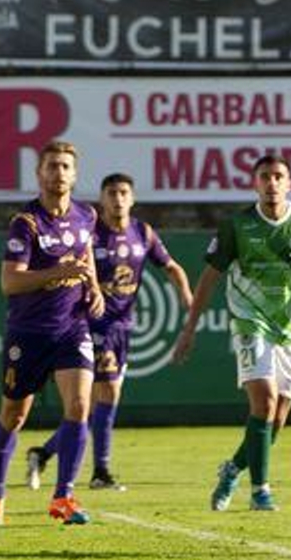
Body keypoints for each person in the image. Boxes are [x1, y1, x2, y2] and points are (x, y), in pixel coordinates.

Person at [172, 153, 291, 512]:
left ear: (290, 183)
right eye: (265, 176)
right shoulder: (236, 225)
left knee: (274, 423)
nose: (272, 182)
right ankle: (261, 490)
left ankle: (233, 469)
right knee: (264, 402)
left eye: (279, 176)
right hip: (250, 321)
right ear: (254, 183)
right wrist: (189, 328)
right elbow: (210, 277)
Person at [27, 173, 193, 491]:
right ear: (102, 198)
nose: (118, 199)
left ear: (132, 198)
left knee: (88, 408)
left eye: (123, 193)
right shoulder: (90, 231)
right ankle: (100, 472)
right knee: (107, 395)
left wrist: (187, 297)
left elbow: (171, 266)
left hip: (123, 328)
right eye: (112, 193)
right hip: (91, 325)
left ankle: (43, 453)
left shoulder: (142, 232)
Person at [0, 141, 104, 527]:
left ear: (75, 173)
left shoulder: (87, 215)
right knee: (14, 415)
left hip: (72, 326)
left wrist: (94, 288)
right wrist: (57, 273)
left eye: (66, 166)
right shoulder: (27, 222)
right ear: (40, 174)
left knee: (81, 406)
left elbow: (84, 258)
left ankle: (63, 495)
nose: (59, 173)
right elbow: (9, 282)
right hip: (29, 332)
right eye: (52, 166)